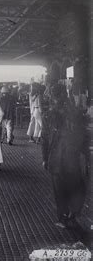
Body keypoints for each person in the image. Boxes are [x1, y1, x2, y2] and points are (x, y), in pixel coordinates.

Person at [41, 84, 89, 229]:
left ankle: (63, 218)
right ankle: (73, 215)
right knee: (75, 186)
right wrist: (85, 156)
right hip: (73, 158)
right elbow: (84, 137)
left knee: (59, 190)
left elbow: (44, 140)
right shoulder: (75, 113)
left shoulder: (48, 115)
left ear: (51, 97)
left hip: (56, 159)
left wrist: (44, 159)